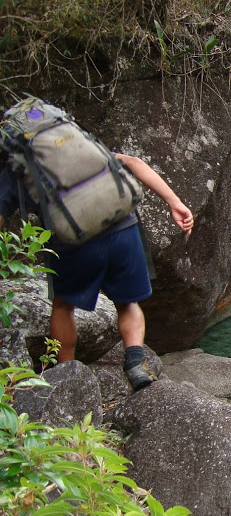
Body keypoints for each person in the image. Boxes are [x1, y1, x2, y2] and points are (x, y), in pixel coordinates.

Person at [0, 151, 194, 390]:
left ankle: (66, 374)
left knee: (63, 305)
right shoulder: (76, 143)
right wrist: (175, 202)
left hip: (72, 234)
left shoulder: (14, 168)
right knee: (128, 302)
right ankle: (135, 362)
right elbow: (134, 163)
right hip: (122, 223)